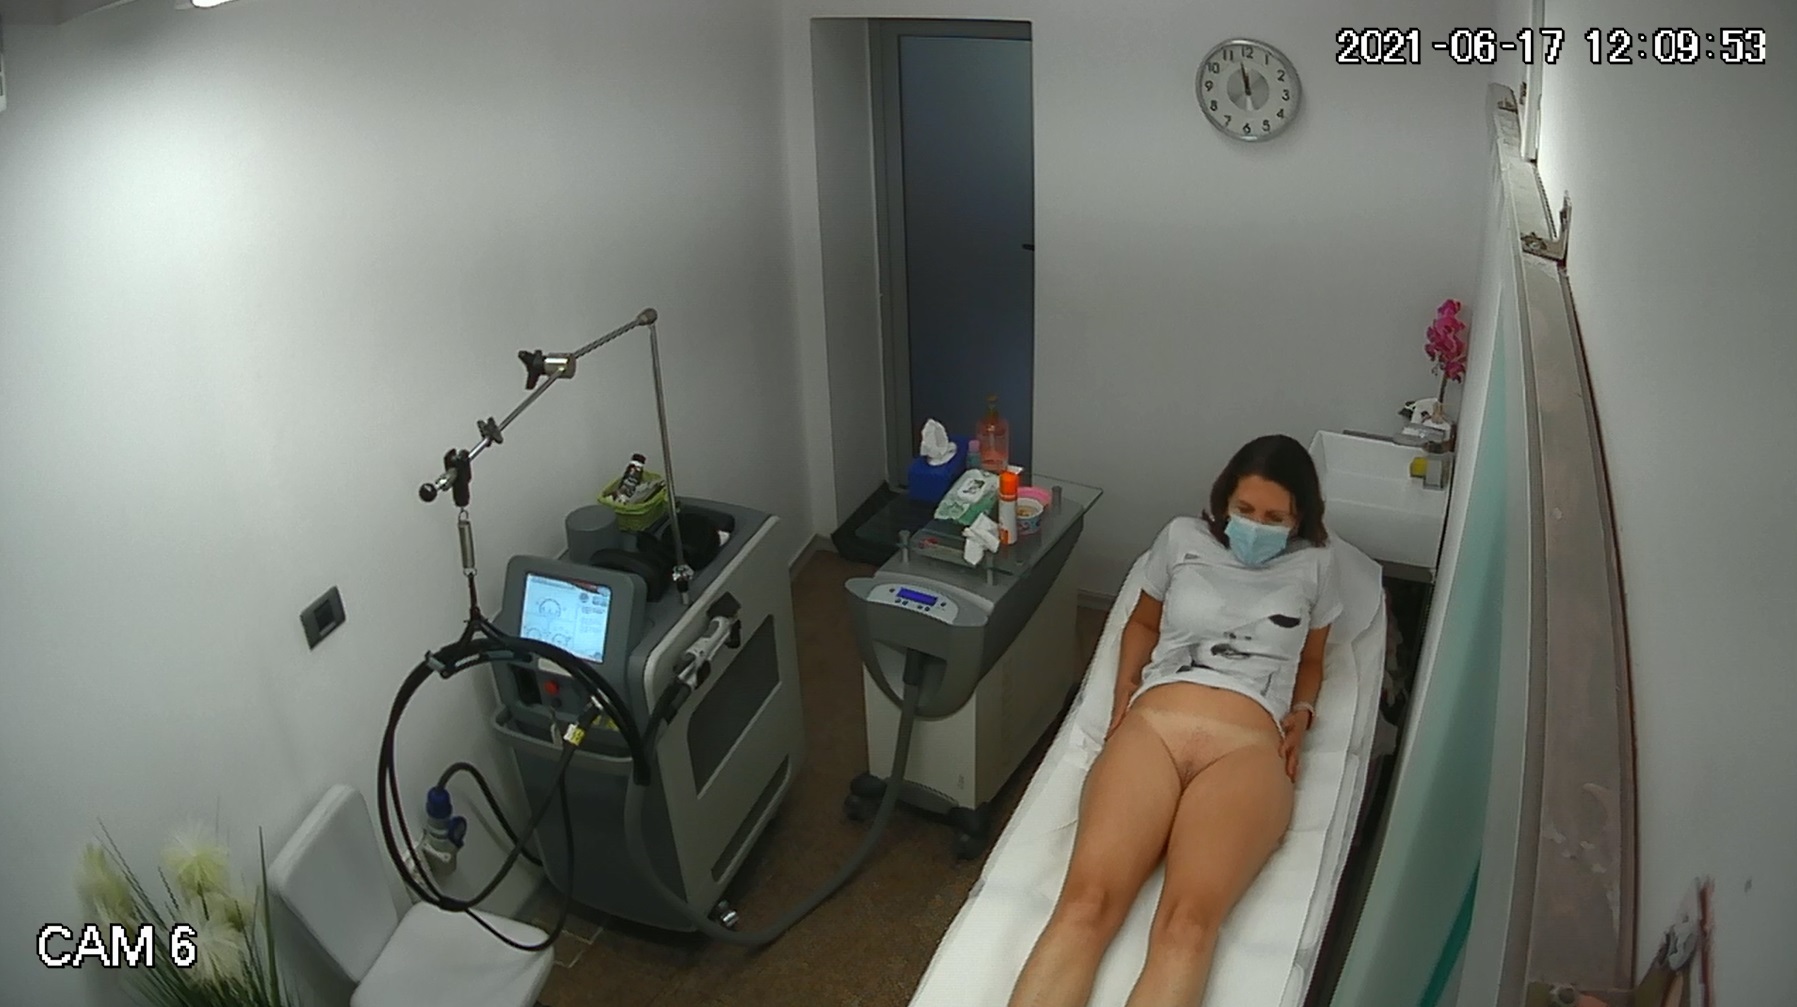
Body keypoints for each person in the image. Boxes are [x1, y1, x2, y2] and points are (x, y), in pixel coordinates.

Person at [1006, 433, 1343, 1007]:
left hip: (1246, 749)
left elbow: (1311, 660)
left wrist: (1303, 714)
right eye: (1245, 511)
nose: (1256, 527)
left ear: (1299, 518)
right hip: (1156, 727)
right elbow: (1141, 623)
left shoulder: (1317, 565)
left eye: (1274, 518)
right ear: (1223, 500)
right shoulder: (1182, 538)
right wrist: (1123, 689)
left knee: (1187, 927)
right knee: (1086, 905)